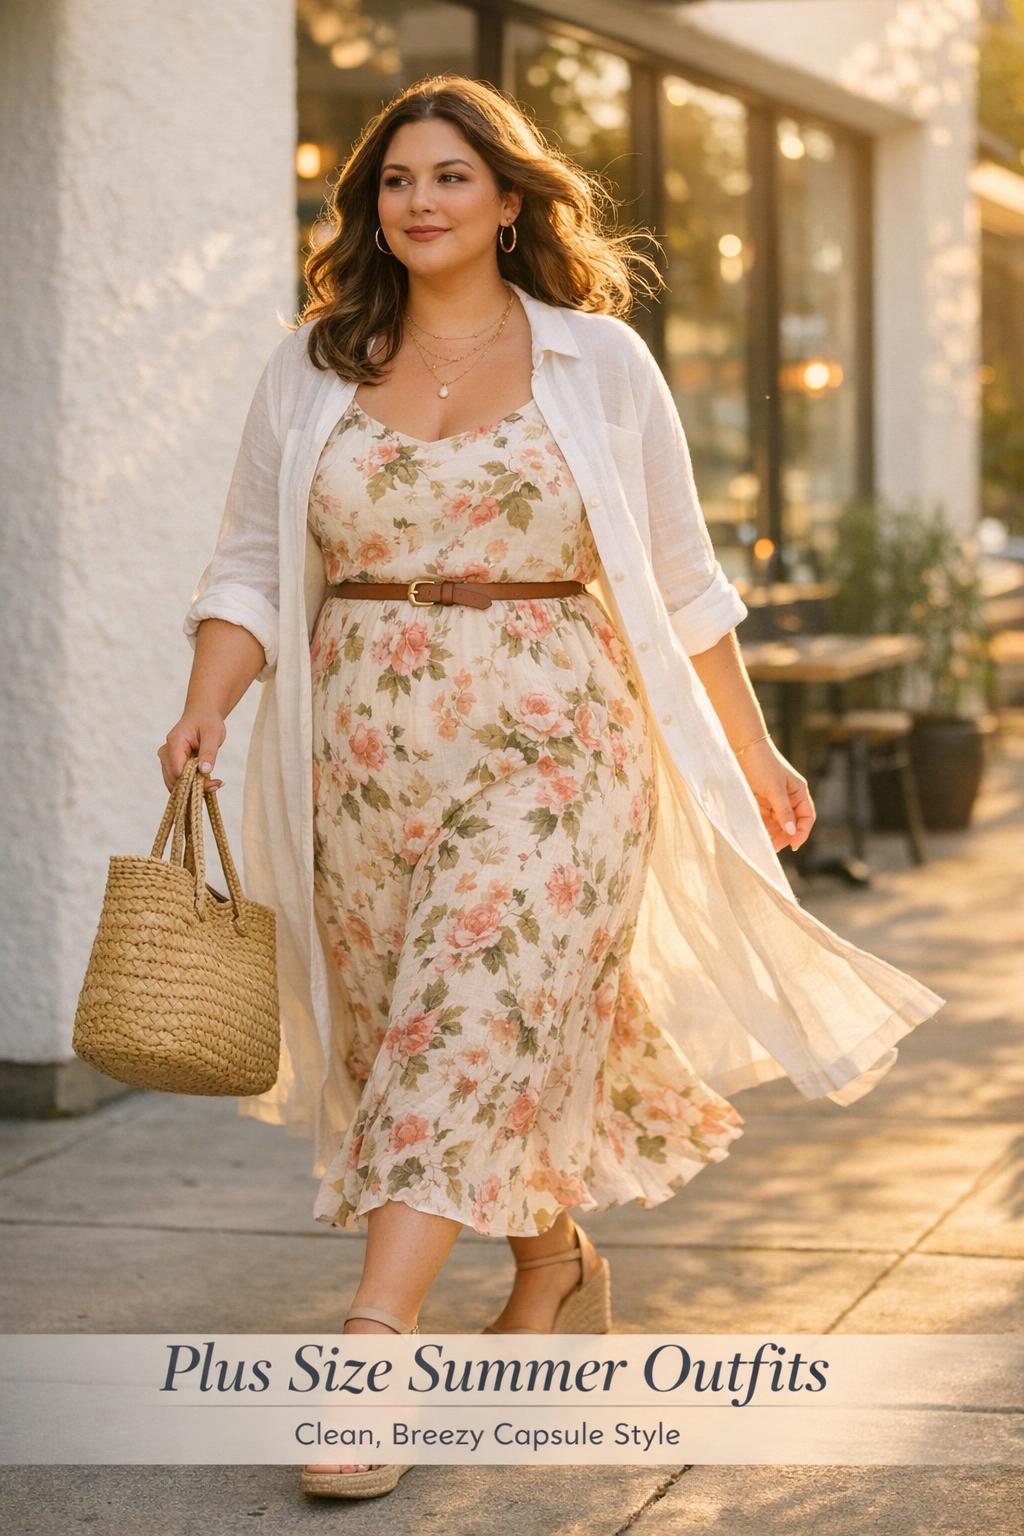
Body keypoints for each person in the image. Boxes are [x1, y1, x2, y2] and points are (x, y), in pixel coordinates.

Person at [162, 74, 944, 1501]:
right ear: (369, 207)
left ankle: (370, 1363)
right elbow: (245, 567)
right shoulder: (317, 363)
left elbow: (683, 580)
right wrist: (207, 702)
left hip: (557, 743)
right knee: (431, 1030)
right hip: (366, 760)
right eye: (395, 181)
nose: (419, 202)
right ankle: (554, 1264)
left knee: (466, 1014)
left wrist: (755, 748)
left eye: (450, 177)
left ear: (509, 201)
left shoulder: (597, 359)